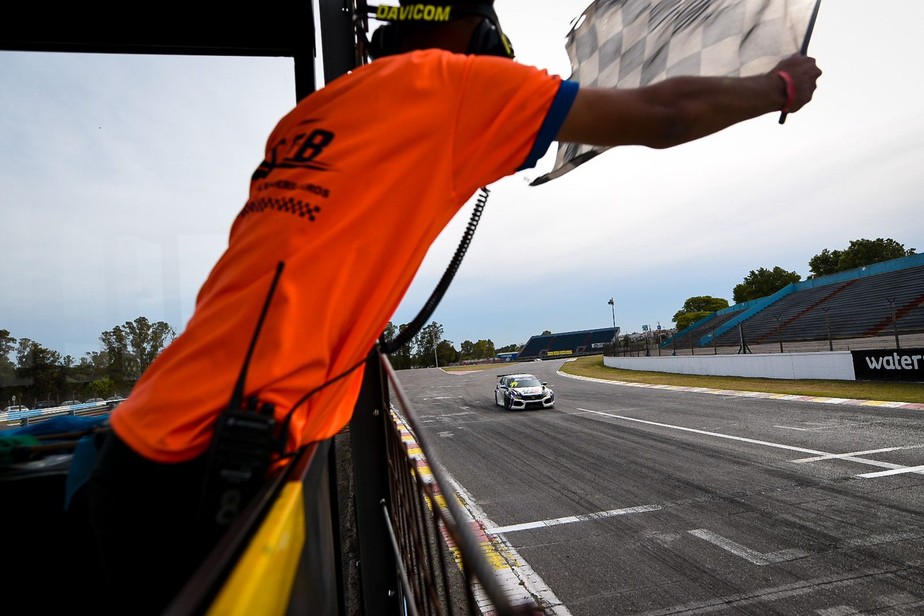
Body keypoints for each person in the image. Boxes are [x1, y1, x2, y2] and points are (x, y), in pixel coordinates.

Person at [81, 0, 822, 613]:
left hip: (152, 437)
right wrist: (777, 86)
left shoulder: (325, 107)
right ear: (470, 26)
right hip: (206, 463)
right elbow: (663, 113)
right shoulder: (450, 85)